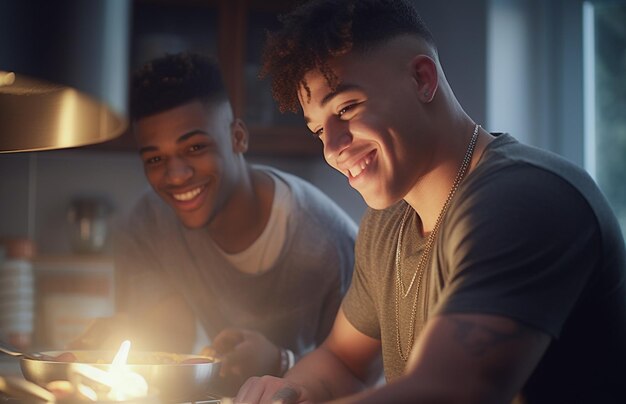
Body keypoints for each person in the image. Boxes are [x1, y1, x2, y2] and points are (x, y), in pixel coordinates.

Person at [233, 0, 626, 403]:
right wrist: (290, 392)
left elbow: (453, 392)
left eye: (347, 108)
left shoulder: (527, 198)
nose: (332, 148)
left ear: (422, 78)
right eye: (318, 130)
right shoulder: (386, 223)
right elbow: (343, 362)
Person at [71, 52, 357, 395]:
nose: (175, 175)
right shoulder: (148, 225)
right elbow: (170, 334)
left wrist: (281, 362)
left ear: (238, 138)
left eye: (195, 147)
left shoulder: (328, 241)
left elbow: (361, 377)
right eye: (156, 158)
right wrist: (126, 333)